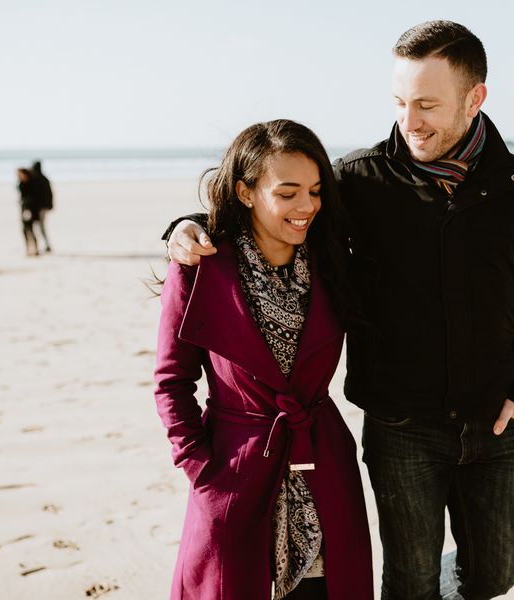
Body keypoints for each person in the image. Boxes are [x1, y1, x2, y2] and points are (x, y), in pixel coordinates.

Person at [164, 21, 514, 600]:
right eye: (400, 102)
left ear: (474, 98)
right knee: (408, 582)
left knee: (495, 572)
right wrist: (182, 228)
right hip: (401, 426)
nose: (410, 119)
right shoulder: (359, 180)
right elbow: (276, 206)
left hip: (496, 420)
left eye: (427, 104)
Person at [154, 119, 373, 600]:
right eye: (288, 192)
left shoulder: (332, 260)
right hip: (234, 470)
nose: (306, 207)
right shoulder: (200, 269)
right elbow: (171, 382)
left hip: (324, 464)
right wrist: (198, 467)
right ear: (246, 192)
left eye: (315, 191)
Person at [16, 167, 41, 256]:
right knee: (24, 230)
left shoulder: (32, 184)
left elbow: (34, 198)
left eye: (21, 174)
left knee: (31, 229)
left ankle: (36, 249)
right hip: (24, 208)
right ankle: (28, 248)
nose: (19, 176)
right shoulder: (21, 184)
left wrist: (29, 209)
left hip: (31, 209)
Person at [29, 160, 53, 253]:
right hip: (43, 207)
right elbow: (50, 194)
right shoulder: (44, 179)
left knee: (40, 227)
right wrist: (50, 205)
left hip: (38, 207)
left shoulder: (36, 179)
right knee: (40, 226)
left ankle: (44, 245)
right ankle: (43, 244)